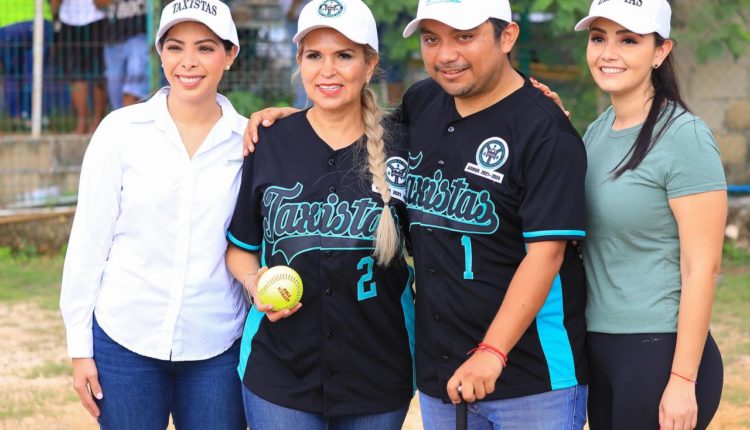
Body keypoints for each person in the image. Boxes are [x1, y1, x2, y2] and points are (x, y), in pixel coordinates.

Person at [244, 0, 590, 428]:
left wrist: (492, 352)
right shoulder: (424, 103)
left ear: (507, 36)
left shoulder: (546, 131)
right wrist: (297, 120)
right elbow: (353, 126)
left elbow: (547, 255)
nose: (446, 54)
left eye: (465, 36)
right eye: (431, 39)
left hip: (531, 377)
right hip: (442, 372)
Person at [532, 1, 726, 429]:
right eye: (598, 38)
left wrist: (682, 380)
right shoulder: (597, 131)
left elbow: (702, 268)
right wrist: (552, 129)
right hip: (598, 345)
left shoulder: (685, 137)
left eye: (628, 41)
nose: (608, 53)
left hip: (658, 352)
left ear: (660, 51)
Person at [225, 0, 415, 428]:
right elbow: (240, 247)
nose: (327, 71)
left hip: (379, 371)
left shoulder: (404, 145)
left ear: (369, 65)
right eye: (314, 55)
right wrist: (253, 283)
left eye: (344, 55)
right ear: (300, 62)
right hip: (280, 372)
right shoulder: (269, 141)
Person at [59, 0, 247, 428]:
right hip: (125, 340)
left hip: (217, 344)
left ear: (230, 54)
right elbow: (89, 243)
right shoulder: (120, 132)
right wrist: (79, 349)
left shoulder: (249, 141)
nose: (188, 62)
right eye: (175, 47)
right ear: (160, 53)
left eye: (205, 47)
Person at [55, 0, 108, 133]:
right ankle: (82, 122)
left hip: (95, 17)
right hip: (68, 19)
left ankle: (98, 122)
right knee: (76, 76)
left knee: (98, 75)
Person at [0, 0, 54, 127]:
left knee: (12, 74)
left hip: (7, 23)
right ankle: (34, 116)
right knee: (36, 73)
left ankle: (17, 117)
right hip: (39, 19)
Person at [98, 0, 149, 109]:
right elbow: (97, 3)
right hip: (113, 39)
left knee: (134, 85)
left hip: (140, 34)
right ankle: (122, 117)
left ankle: (131, 117)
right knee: (114, 88)